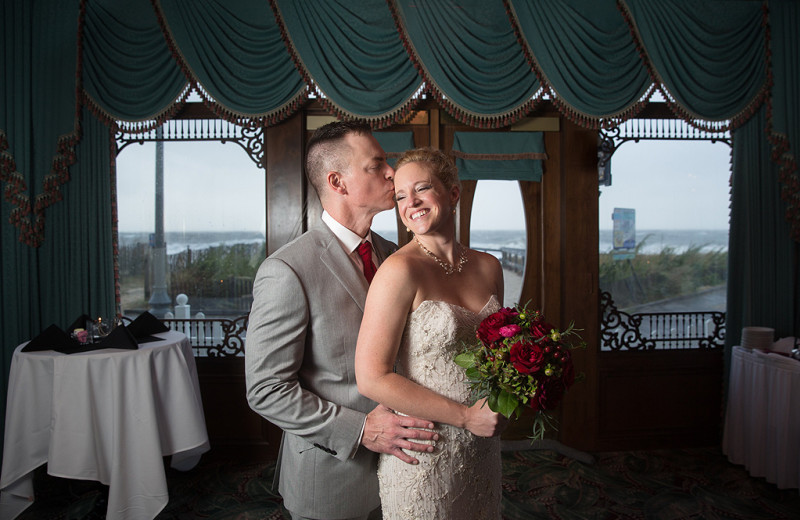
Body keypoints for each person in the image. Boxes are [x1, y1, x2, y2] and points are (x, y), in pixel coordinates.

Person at [245, 121, 439, 520]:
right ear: (338, 182)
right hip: (333, 477)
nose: (392, 172)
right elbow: (265, 389)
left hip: (409, 471)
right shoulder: (287, 270)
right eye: (377, 164)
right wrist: (360, 430)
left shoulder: (399, 256)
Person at [355, 147, 507, 519]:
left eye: (423, 188)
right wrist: (465, 416)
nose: (412, 202)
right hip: (425, 451)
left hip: (481, 448)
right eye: (402, 195)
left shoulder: (489, 267)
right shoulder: (399, 271)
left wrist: (506, 398)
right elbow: (371, 377)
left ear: (453, 193)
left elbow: (496, 357)